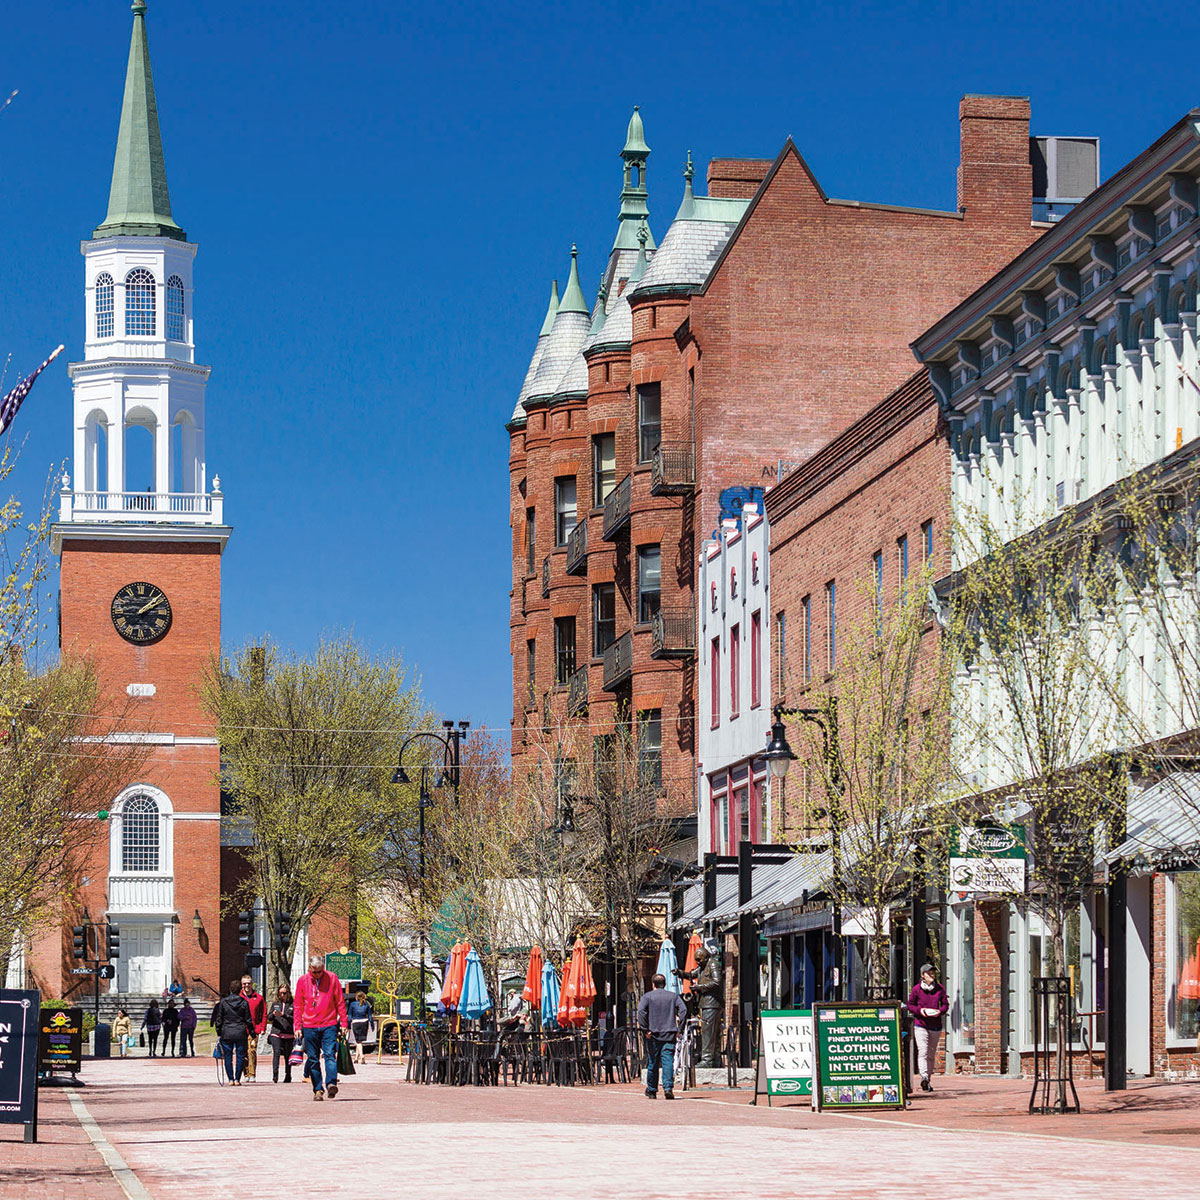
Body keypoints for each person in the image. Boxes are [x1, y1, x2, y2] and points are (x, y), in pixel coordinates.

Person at [293, 954, 348, 1101]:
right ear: (309, 968)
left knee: (330, 1054)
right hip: (309, 1025)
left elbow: (340, 1001)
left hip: (329, 1023)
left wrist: (344, 1023)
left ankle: (331, 1083)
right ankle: (318, 1089)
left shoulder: (332, 978)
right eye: (315, 971)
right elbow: (298, 1005)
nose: (318, 974)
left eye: (320, 971)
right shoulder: (302, 981)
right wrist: (297, 1026)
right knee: (313, 1059)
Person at [637, 973, 688, 1100]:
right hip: (669, 1033)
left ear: (653, 984)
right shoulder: (673, 996)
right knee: (667, 1061)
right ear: (664, 984)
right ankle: (668, 1088)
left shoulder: (647, 997)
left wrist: (645, 1029)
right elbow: (683, 1010)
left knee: (653, 1062)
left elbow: (641, 1012)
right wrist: (679, 1029)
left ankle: (652, 1090)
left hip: (653, 1034)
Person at [906, 962, 949, 1092]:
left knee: (931, 1054)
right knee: (923, 1051)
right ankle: (923, 1076)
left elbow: (945, 1005)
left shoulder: (940, 988)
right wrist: (921, 1011)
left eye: (933, 973)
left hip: (935, 1025)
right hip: (921, 1024)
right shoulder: (916, 989)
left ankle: (927, 1080)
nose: (931, 975)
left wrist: (939, 1012)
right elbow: (910, 1005)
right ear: (922, 975)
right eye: (928, 973)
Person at [212, 978, 253, 1085]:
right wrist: (252, 1032)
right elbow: (248, 1020)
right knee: (240, 1056)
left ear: (230, 989)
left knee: (227, 1056)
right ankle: (237, 1079)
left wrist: (219, 1032)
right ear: (240, 989)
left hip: (227, 1032)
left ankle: (230, 1079)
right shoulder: (244, 1002)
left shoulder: (223, 1002)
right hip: (240, 1031)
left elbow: (219, 1019)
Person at [241, 975, 267, 1081]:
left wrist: (262, 1027)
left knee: (252, 1050)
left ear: (252, 984)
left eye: (248, 983)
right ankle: (245, 1073)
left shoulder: (259, 998)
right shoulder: (238, 998)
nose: (247, 985)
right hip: (241, 1029)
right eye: (244, 983)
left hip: (254, 1029)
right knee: (243, 1052)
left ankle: (252, 1074)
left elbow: (264, 1013)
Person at [268, 984, 295, 1083]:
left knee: (288, 1055)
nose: (282, 995)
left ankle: (288, 1075)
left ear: (288, 993)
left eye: (284, 993)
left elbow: (295, 1019)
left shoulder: (293, 1004)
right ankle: (275, 1075)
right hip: (276, 1032)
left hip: (288, 1033)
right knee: (277, 1053)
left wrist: (284, 1015)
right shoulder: (275, 1004)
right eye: (280, 993)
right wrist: (273, 1014)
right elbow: (269, 1017)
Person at [347, 990, 373, 1065]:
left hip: (356, 1022)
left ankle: (361, 1055)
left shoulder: (352, 1004)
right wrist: (372, 1025)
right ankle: (356, 1058)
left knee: (358, 1041)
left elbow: (349, 1016)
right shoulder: (366, 1004)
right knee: (359, 1041)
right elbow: (370, 1016)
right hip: (365, 1022)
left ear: (356, 997)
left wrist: (348, 1025)